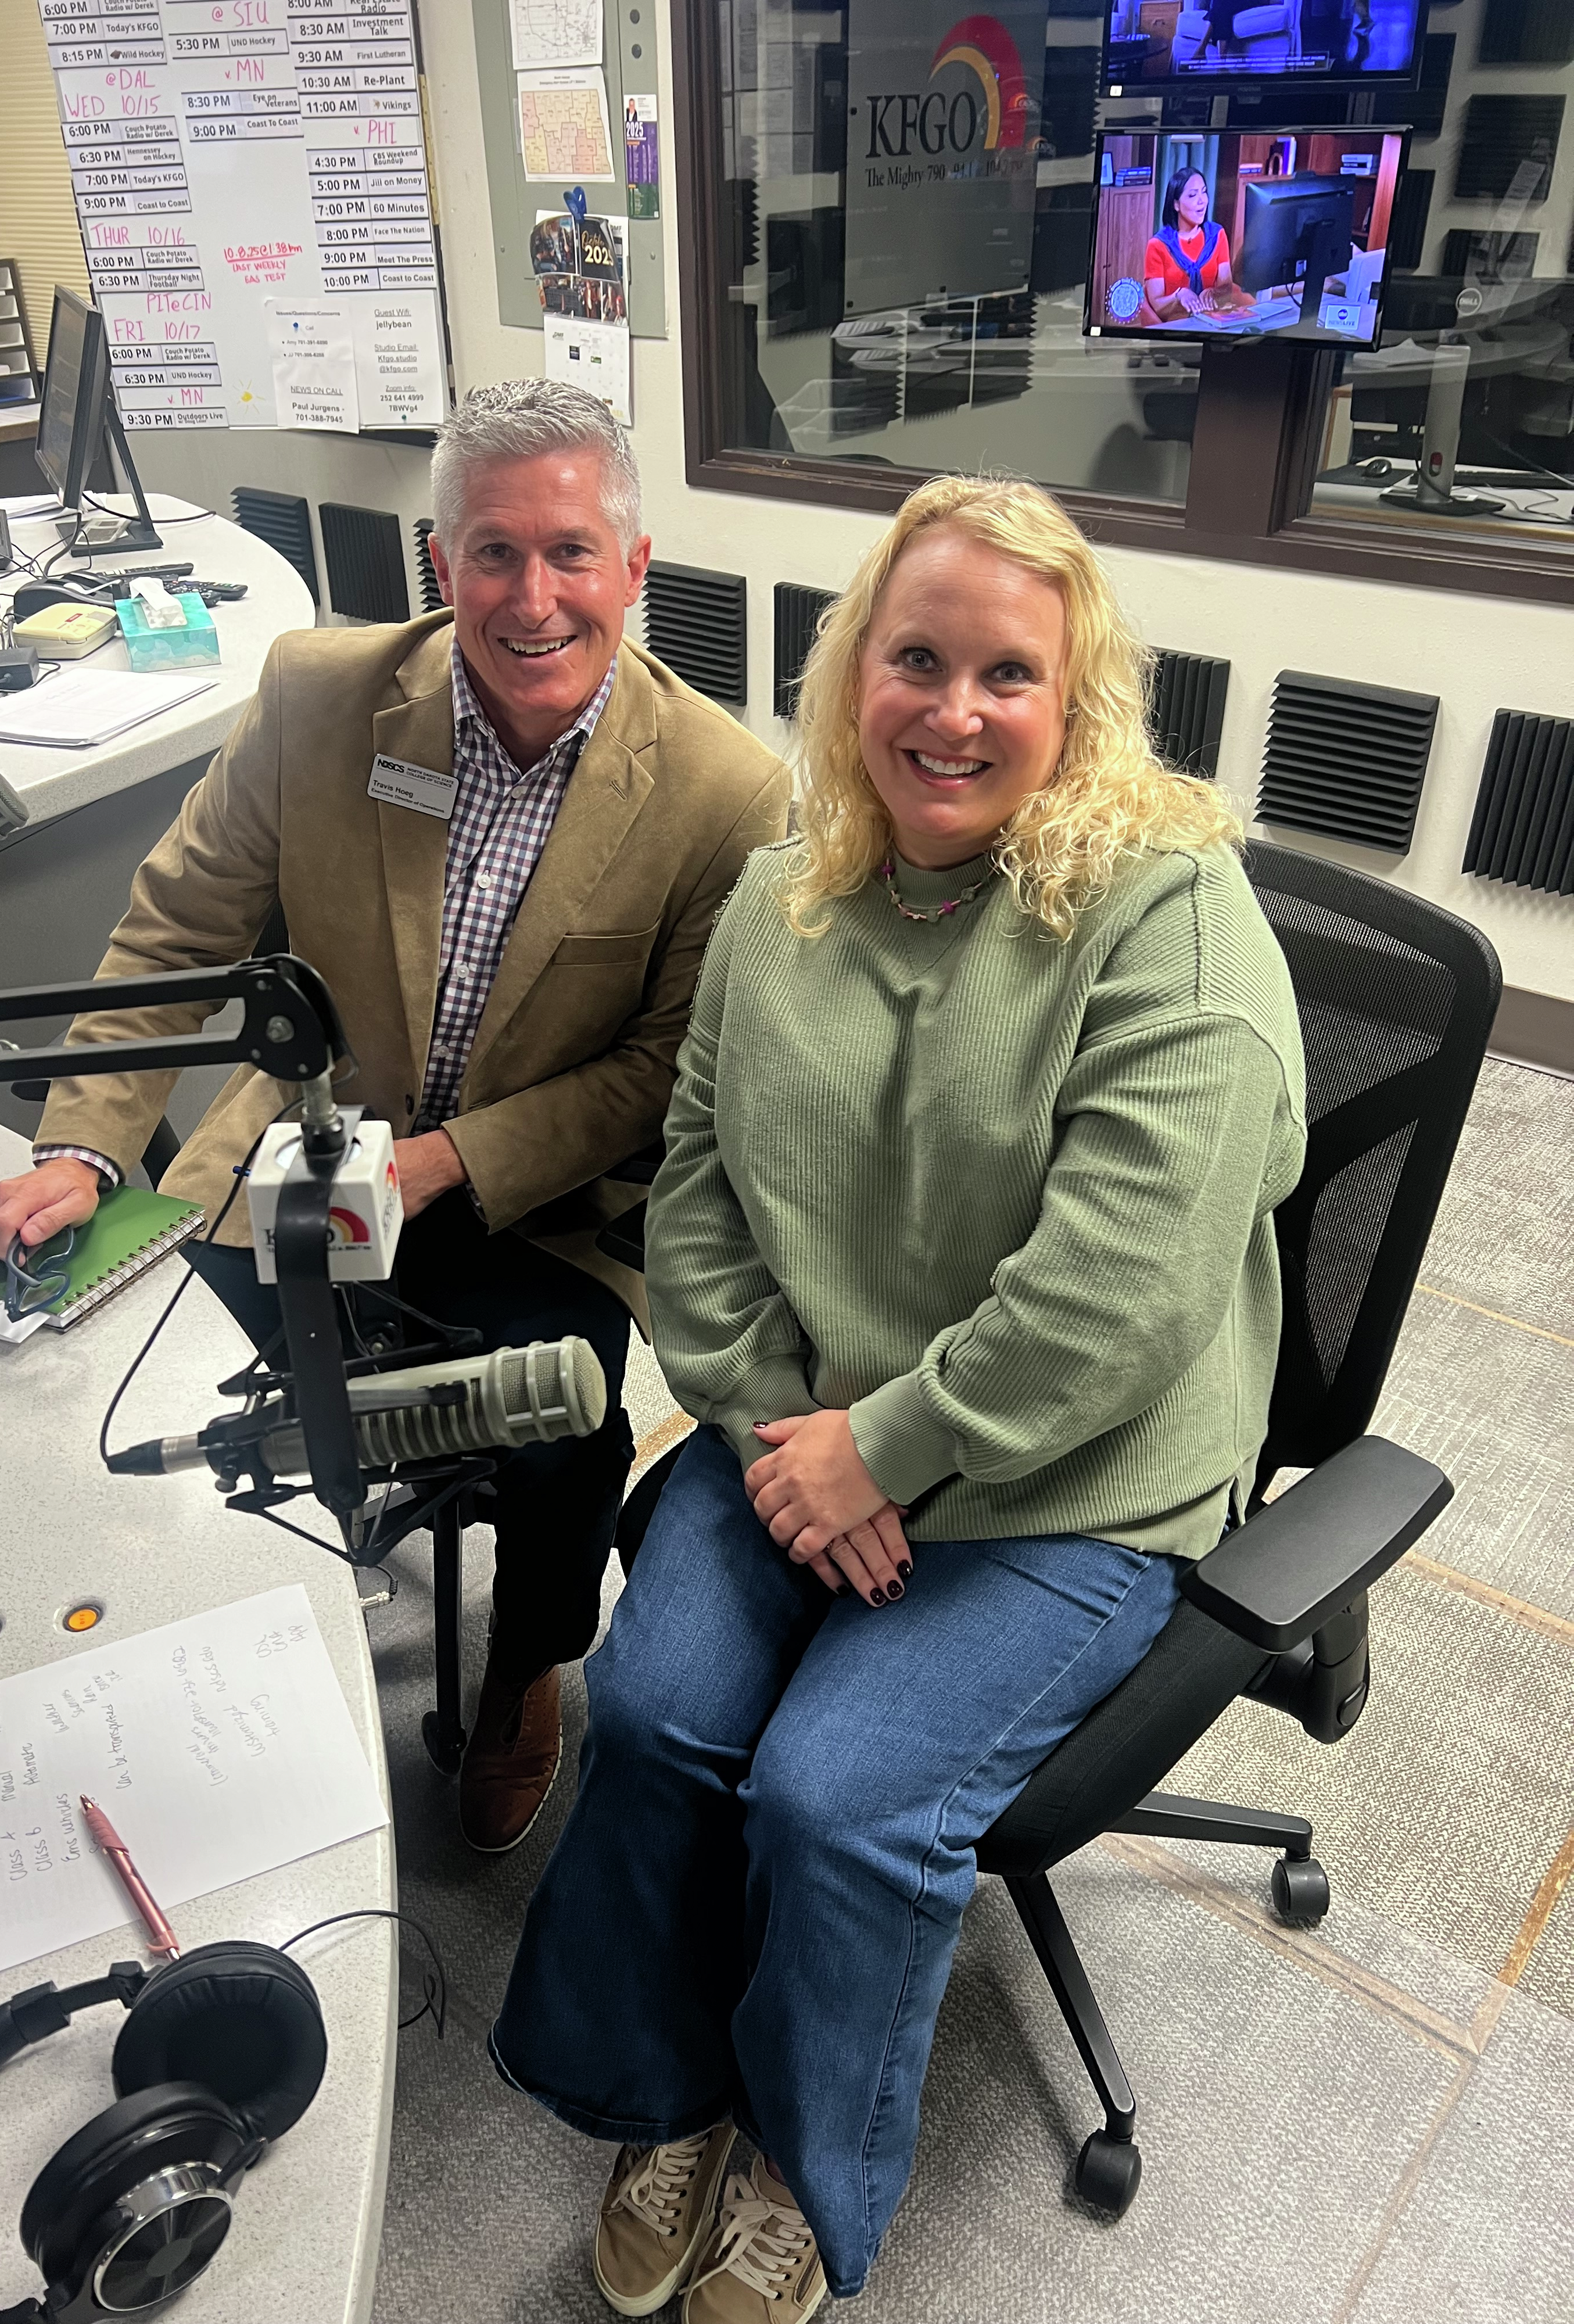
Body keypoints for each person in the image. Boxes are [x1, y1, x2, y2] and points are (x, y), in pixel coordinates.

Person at [490, 476, 1306, 2319]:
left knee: (835, 1797)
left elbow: (1126, 1286)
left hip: (1068, 1480)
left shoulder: (1164, 915)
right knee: (652, 1707)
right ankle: (660, 2090)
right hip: (802, 1432)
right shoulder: (788, 891)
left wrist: (891, 1443)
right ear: (853, 669)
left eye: (1008, 673)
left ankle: (798, 2153)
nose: (952, 708)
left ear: (1076, 697)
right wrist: (794, 1430)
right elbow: (691, 1183)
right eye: (914, 656)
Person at [0, 379, 790, 1853]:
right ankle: (206, 1661)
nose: (528, 599)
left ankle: (526, 1664)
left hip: (539, 1206)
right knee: (141, 1378)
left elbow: (668, 1069)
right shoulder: (319, 694)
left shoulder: (727, 794)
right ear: (438, 563)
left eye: (566, 555)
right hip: (296, 1157)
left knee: (565, 1425)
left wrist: (445, 1162)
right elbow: (178, 934)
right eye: (490, 553)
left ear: (634, 568)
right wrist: (86, 1143)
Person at [1143, 166, 1254, 323]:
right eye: (1193, 195)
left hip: (1212, 320)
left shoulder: (1217, 235)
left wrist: (1213, 293)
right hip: (1175, 325)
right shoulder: (1158, 245)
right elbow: (1156, 306)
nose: (1202, 201)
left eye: (1204, 192)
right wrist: (1179, 296)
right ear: (1176, 205)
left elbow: (1226, 288)